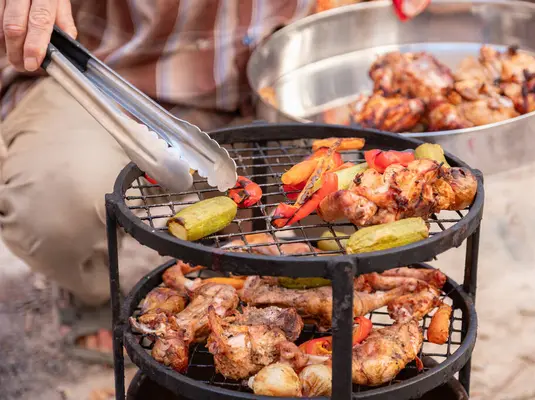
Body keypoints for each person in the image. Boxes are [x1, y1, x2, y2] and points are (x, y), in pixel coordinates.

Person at [0, 0, 352, 360]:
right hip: (103, 77)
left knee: (356, 195)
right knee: (52, 203)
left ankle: (289, 267)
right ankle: (94, 293)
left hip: (277, 73)